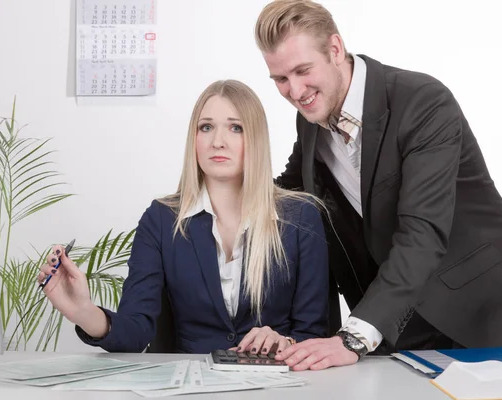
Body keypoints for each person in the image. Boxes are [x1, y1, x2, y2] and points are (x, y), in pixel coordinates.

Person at [253, 0, 502, 370]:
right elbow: (291, 193)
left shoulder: (422, 102)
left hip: (478, 309)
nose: (294, 91)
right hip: (397, 317)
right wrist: (218, 188)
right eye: (280, 79)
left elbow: (423, 231)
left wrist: (354, 337)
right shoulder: (312, 119)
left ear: (336, 49)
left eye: (302, 70)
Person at [36, 79, 329, 354]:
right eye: (206, 127)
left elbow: (314, 332)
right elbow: (136, 329)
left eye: (235, 128)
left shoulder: (300, 218)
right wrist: (83, 312)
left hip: (277, 386)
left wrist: (285, 341)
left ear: (257, 138)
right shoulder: (161, 219)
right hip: (190, 386)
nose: (218, 141)